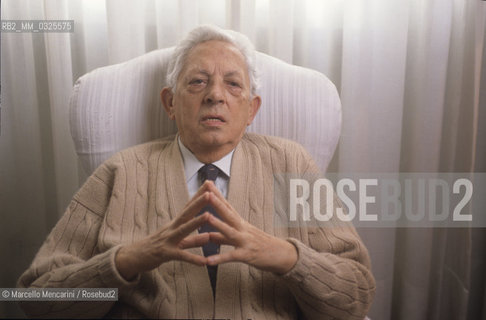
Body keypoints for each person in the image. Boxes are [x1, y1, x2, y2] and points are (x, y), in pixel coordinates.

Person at [18, 25, 375, 319]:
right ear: (170, 103)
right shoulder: (121, 172)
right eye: (197, 82)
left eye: (233, 84)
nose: (215, 95)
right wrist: (129, 261)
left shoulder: (293, 164)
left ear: (252, 109)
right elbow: (36, 298)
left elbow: (356, 296)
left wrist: (285, 256)